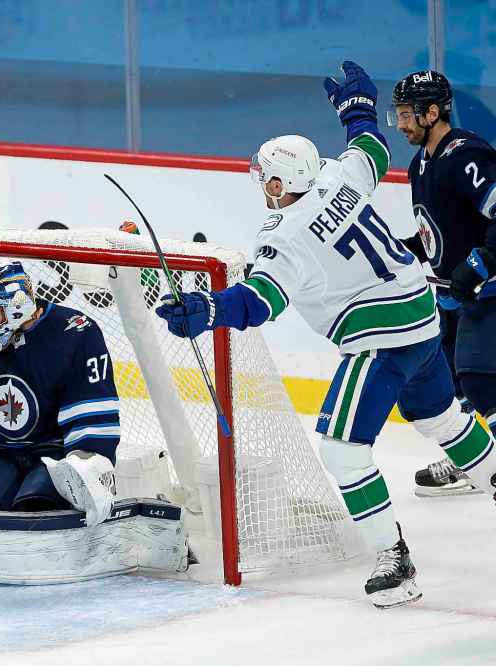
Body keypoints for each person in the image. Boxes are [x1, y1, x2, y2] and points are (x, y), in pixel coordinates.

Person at [155, 61, 496, 609]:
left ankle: (394, 559)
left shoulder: (282, 234)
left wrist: (206, 310)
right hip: (424, 319)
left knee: (341, 451)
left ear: (277, 182)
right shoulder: (339, 176)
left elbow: (258, 301)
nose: (258, 183)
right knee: (444, 421)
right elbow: (372, 147)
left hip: (379, 337)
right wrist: (355, 109)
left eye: (262, 174)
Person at [0, 261, 120, 525]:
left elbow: (91, 418)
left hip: (54, 453)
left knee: (36, 509)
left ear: (17, 306)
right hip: (1, 451)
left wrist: (88, 463)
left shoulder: (77, 332)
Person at [389, 70, 496, 497]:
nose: (400, 124)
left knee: (479, 379)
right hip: (453, 294)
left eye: (406, 114)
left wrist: (482, 261)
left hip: (487, 290)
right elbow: (437, 232)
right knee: (452, 380)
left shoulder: (465, 155)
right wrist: (396, 249)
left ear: (432, 112)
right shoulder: (422, 164)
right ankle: (473, 459)